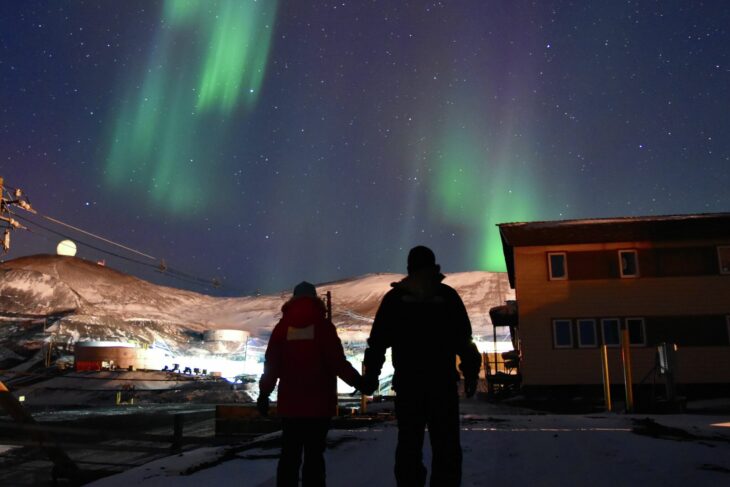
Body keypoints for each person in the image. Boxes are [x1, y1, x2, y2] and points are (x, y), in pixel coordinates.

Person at [361, 246, 481, 487]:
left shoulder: (394, 300)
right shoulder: (447, 297)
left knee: (408, 445)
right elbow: (464, 341)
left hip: (408, 385)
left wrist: (371, 377)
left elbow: (377, 343)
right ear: (434, 266)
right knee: (446, 447)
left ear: (409, 268)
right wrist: (470, 374)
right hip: (442, 385)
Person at [258, 281, 362, 487]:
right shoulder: (323, 327)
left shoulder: (282, 328)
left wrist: (264, 394)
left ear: (293, 300)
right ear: (315, 300)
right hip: (319, 407)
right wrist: (358, 381)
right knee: (314, 458)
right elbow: (337, 362)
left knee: (289, 457)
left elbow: (272, 365)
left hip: (290, 406)